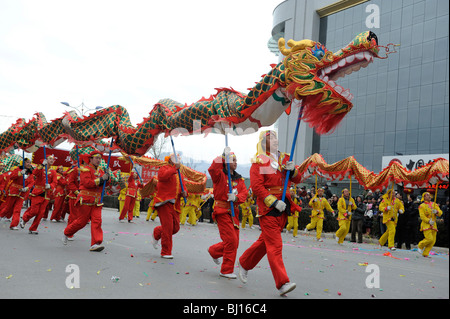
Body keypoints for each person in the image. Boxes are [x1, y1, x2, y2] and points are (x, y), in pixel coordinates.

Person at [237, 130, 301, 296]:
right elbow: (257, 187)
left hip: (284, 207)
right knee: (275, 245)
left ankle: (244, 262)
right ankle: (282, 283)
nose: (274, 140)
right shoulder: (259, 162)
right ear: (262, 142)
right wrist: (272, 201)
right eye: (269, 138)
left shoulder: (285, 158)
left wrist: (293, 170)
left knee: (265, 242)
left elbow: (297, 178)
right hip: (268, 209)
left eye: (275, 137)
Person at [207, 149, 248, 278]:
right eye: (233, 159)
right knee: (231, 240)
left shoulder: (239, 179)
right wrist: (222, 156)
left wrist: (236, 198)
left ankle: (214, 251)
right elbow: (212, 169)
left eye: (236, 160)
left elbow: (244, 193)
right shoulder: (219, 175)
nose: (235, 162)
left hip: (233, 214)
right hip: (222, 211)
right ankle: (226, 270)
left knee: (234, 243)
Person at [62, 150, 110, 252]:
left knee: (97, 221)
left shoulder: (101, 171)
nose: (98, 160)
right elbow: (88, 183)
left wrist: (108, 177)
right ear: (91, 159)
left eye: (100, 158)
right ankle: (67, 232)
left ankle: (95, 243)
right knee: (81, 222)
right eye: (96, 158)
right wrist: (102, 179)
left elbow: (106, 184)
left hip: (97, 201)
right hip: (86, 199)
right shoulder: (85, 170)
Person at [151, 154, 187, 259]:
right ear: (170, 160)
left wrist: (185, 193)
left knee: (175, 228)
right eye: (175, 159)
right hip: (164, 202)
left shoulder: (180, 174)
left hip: (175, 205)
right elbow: (162, 177)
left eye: (179, 159)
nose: (178, 161)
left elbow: (183, 188)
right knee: (168, 228)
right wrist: (173, 169)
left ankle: (157, 232)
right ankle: (166, 252)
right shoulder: (164, 168)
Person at [21, 155, 57, 234]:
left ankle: (33, 228)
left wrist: (50, 186)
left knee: (40, 213)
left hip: (46, 194)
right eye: (50, 158)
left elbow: (55, 182)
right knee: (34, 211)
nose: (52, 160)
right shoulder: (41, 168)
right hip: (37, 192)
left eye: (53, 159)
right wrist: (41, 166)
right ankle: (24, 218)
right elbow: (35, 173)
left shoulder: (53, 172)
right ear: (46, 160)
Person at [0, 158, 33, 230]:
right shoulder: (17, 169)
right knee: (7, 208)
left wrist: (27, 188)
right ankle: (1, 215)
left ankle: (14, 224)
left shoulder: (30, 173)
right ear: (23, 163)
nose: (29, 164)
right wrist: (20, 173)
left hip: (22, 193)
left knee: (17, 209)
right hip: (13, 191)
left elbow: (31, 183)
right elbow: (11, 177)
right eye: (27, 162)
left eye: (29, 162)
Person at [417, 191, 443, 258]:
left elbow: (440, 212)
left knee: (433, 241)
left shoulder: (434, 204)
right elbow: (422, 216)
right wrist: (428, 221)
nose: (429, 196)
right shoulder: (422, 206)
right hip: (426, 224)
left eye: (429, 195)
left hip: (433, 224)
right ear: (424, 197)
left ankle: (426, 253)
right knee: (429, 238)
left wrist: (437, 211)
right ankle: (420, 245)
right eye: (427, 195)